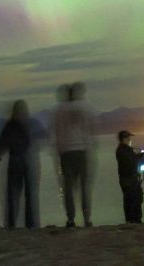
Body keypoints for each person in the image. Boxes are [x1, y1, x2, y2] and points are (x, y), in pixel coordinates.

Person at [54, 82, 97, 227]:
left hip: (65, 152)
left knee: (68, 188)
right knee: (84, 187)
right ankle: (86, 218)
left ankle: (71, 218)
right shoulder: (85, 107)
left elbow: (56, 132)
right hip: (81, 151)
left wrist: (58, 150)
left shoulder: (59, 110)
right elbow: (91, 128)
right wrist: (91, 147)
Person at [0, 100, 44, 228]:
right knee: (29, 195)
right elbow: (42, 136)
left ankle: (11, 224)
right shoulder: (30, 123)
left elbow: (3, 143)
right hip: (28, 162)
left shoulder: (10, 125)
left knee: (12, 195)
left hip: (14, 162)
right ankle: (31, 224)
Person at [115, 130, 144, 223]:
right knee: (131, 200)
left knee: (136, 198)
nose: (129, 140)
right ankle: (132, 220)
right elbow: (130, 161)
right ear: (124, 139)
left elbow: (133, 158)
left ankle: (136, 220)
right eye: (128, 138)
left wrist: (141, 155)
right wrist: (140, 156)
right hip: (128, 179)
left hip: (131, 178)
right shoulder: (122, 150)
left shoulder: (125, 149)